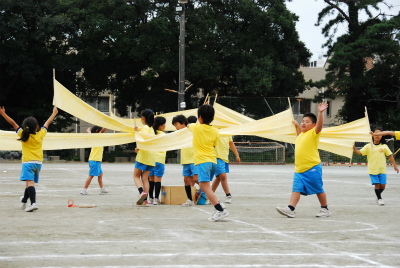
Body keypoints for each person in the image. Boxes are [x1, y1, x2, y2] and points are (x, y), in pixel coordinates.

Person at [276, 102, 331, 218]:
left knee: (318, 189)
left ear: (313, 125)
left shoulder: (313, 133)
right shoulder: (301, 135)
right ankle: (290, 209)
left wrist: (320, 112)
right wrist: (296, 125)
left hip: (312, 167)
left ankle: (325, 209)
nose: (304, 123)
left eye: (307, 122)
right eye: (303, 121)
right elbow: (299, 132)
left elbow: (320, 126)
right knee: (296, 189)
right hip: (299, 169)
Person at [0, 106, 58, 212]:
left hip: (28, 163)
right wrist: (54, 113)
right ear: (36, 127)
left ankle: (33, 203)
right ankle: (23, 201)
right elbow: (47, 123)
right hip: (38, 164)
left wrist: (3, 114)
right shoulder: (40, 135)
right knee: (29, 183)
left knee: (30, 184)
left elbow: (13, 123)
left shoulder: (23, 134)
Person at [188, 104, 229, 221]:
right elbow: (214, 144)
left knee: (205, 187)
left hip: (203, 161)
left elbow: (188, 125)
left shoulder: (196, 128)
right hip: (212, 161)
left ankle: (220, 209)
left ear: (199, 117)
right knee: (203, 186)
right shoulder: (215, 131)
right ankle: (218, 204)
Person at [353, 128, 399, 205]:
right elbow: (359, 152)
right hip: (373, 170)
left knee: (383, 186)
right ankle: (380, 198)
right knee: (377, 184)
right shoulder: (368, 146)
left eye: (380, 134)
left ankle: (378, 196)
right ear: (372, 135)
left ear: (381, 136)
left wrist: (395, 165)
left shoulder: (384, 146)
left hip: (382, 170)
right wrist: (354, 149)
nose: (378, 135)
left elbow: (390, 156)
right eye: (376, 133)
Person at [172, 115, 198, 207]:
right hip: (185, 160)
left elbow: (199, 125)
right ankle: (190, 200)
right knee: (186, 180)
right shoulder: (179, 133)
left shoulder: (192, 129)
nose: (176, 127)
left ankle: (208, 194)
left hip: (194, 159)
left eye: (176, 125)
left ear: (183, 123)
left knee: (196, 179)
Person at [134, 109, 156, 207]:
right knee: (145, 178)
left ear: (143, 118)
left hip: (143, 156)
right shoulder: (152, 129)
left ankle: (141, 192)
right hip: (151, 157)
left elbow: (142, 140)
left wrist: (137, 132)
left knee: (136, 176)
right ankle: (145, 200)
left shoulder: (144, 128)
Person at [210, 135, 240, 204]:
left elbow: (231, 143)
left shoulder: (227, 132)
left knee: (219, 178)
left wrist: (237, 155)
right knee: (223, 176)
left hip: (224, 157)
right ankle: (228, 195)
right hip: (216, 156)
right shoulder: (214, 129)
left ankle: (210, 196)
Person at [80, 126, 109, 195]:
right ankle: (84, 190)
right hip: (94, 160)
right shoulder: (97, 137)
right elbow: (102, 131)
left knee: (100, 174)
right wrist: (107, 125)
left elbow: (91, 133)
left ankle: (102, 189)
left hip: (96, 160)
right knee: (91, 175)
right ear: (97, 131)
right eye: (100, 130)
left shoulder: (94, 137)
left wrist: (89, 131)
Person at [148, 116, 167, 205]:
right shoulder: (164, 135)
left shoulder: (151, 134)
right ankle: (156, 198)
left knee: (151, 180)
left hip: (151, 159)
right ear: (161, 126)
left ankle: (150, 198)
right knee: (157, 180)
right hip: (159, 159)